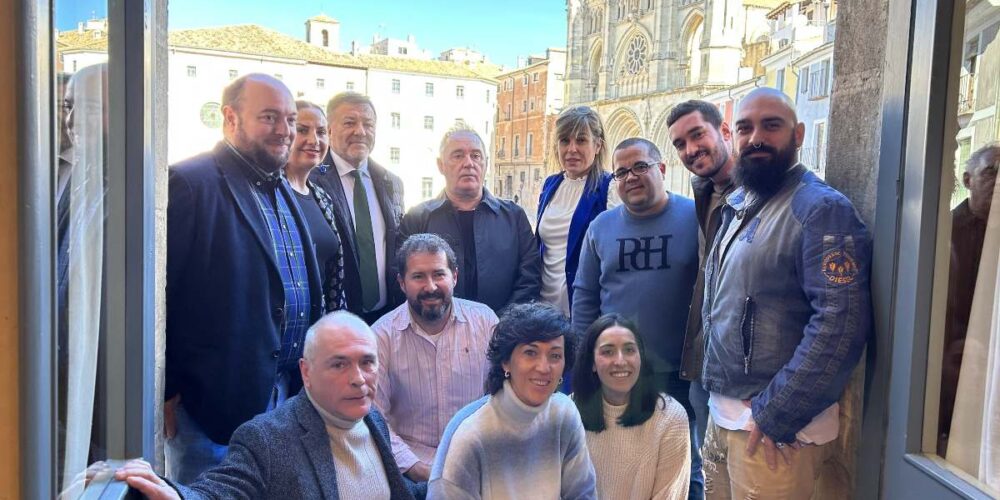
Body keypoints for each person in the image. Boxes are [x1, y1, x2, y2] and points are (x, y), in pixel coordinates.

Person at [700, 87, 872, 498]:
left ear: (797, 135)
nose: (756, 137)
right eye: (745, 128)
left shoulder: (821, 209)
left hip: (776, 437)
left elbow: (839, 324)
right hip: (724, 421)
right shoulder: (741, 203)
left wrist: (778, 411)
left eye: (771, 125)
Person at [165, 73, 324, 483]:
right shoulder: (190, 183)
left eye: (290, 119)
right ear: (230, 118)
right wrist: (165, 390)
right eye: (270, 117)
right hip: (214, 409)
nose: (285, 131)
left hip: (285, 396)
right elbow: (162, 295)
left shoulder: (284, 188)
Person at [114, 312, 418, 499]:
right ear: (306, 372)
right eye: (339, 365)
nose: (358, 379)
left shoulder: (373, 420)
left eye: (367, 363)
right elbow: (223, 492)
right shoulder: (268, 438)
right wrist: (177, 496)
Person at [572, 137, 702, 496]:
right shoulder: (601, 227)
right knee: (617, 457)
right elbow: (584, 295)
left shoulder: (695, 218)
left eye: (640, 167)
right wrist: (585, 360)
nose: (631, 177)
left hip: (679, 370)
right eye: (622, 171)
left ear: (661, 169)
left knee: (685, 463)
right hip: (617, 368)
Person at [428, 302, 597, 499]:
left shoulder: (564, 413)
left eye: (555, 355)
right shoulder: (470, 434)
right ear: (505, 361)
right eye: (530, 353)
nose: (544, 367)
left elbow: (583, 494)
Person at [372, 233, 499, 482]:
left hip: (480, 460)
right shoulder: (381, 336)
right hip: (408, 469)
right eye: (418, 276)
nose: (430, 287)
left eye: (439, 274)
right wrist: (418, 469)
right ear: (401, 282)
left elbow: (505, 397)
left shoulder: (486, 323)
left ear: (454, 277)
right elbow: (375, 417)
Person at [666, 99, 738, 475]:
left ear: (724, 131)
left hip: (746, 385)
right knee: (710, 477)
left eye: (697, 135)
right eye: (680, 143)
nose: (690, 149)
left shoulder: (761, 194)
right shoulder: (705, 195)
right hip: (704, 369)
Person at [400, 125, 541, 313]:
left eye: (476, 156)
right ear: (441, 165)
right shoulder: (417, 219)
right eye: (458, 155)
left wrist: (499, 325)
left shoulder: (514, 217)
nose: (468, 163)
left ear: (486, 163)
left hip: (502, 332)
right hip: (436, 333)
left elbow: (529, 279)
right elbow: (403, 278)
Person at [573, 313, 691, 500]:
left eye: (629, 350)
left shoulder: (671, 418)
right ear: (592, 363)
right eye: (608, 351)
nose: (620, 361)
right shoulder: (569, 412)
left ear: (640, 357)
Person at [310, 92, 405, 324]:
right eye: (350, 123)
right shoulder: (310, 180)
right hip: (334, 319)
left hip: (387, 317)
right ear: (329, 130)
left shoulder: (392, 182)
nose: (360, 131)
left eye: (368, 124)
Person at [939, 143, 999, 455]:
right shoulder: (943, 232)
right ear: (967, 179)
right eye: (992, 172)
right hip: (951, 359)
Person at [536, 106, 615, 317]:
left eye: (581, 140)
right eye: (564, 141)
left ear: (597, 145)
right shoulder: (550, 185)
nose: (571, 149)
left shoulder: (609, 188)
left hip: (584, 312)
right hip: (545, 309)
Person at [285, 100, 347, 312]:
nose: (314, 140)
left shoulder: (322, 198)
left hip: (318, 325)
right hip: (281, 328)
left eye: (321, 132)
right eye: (302, 130)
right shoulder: (265, 195)